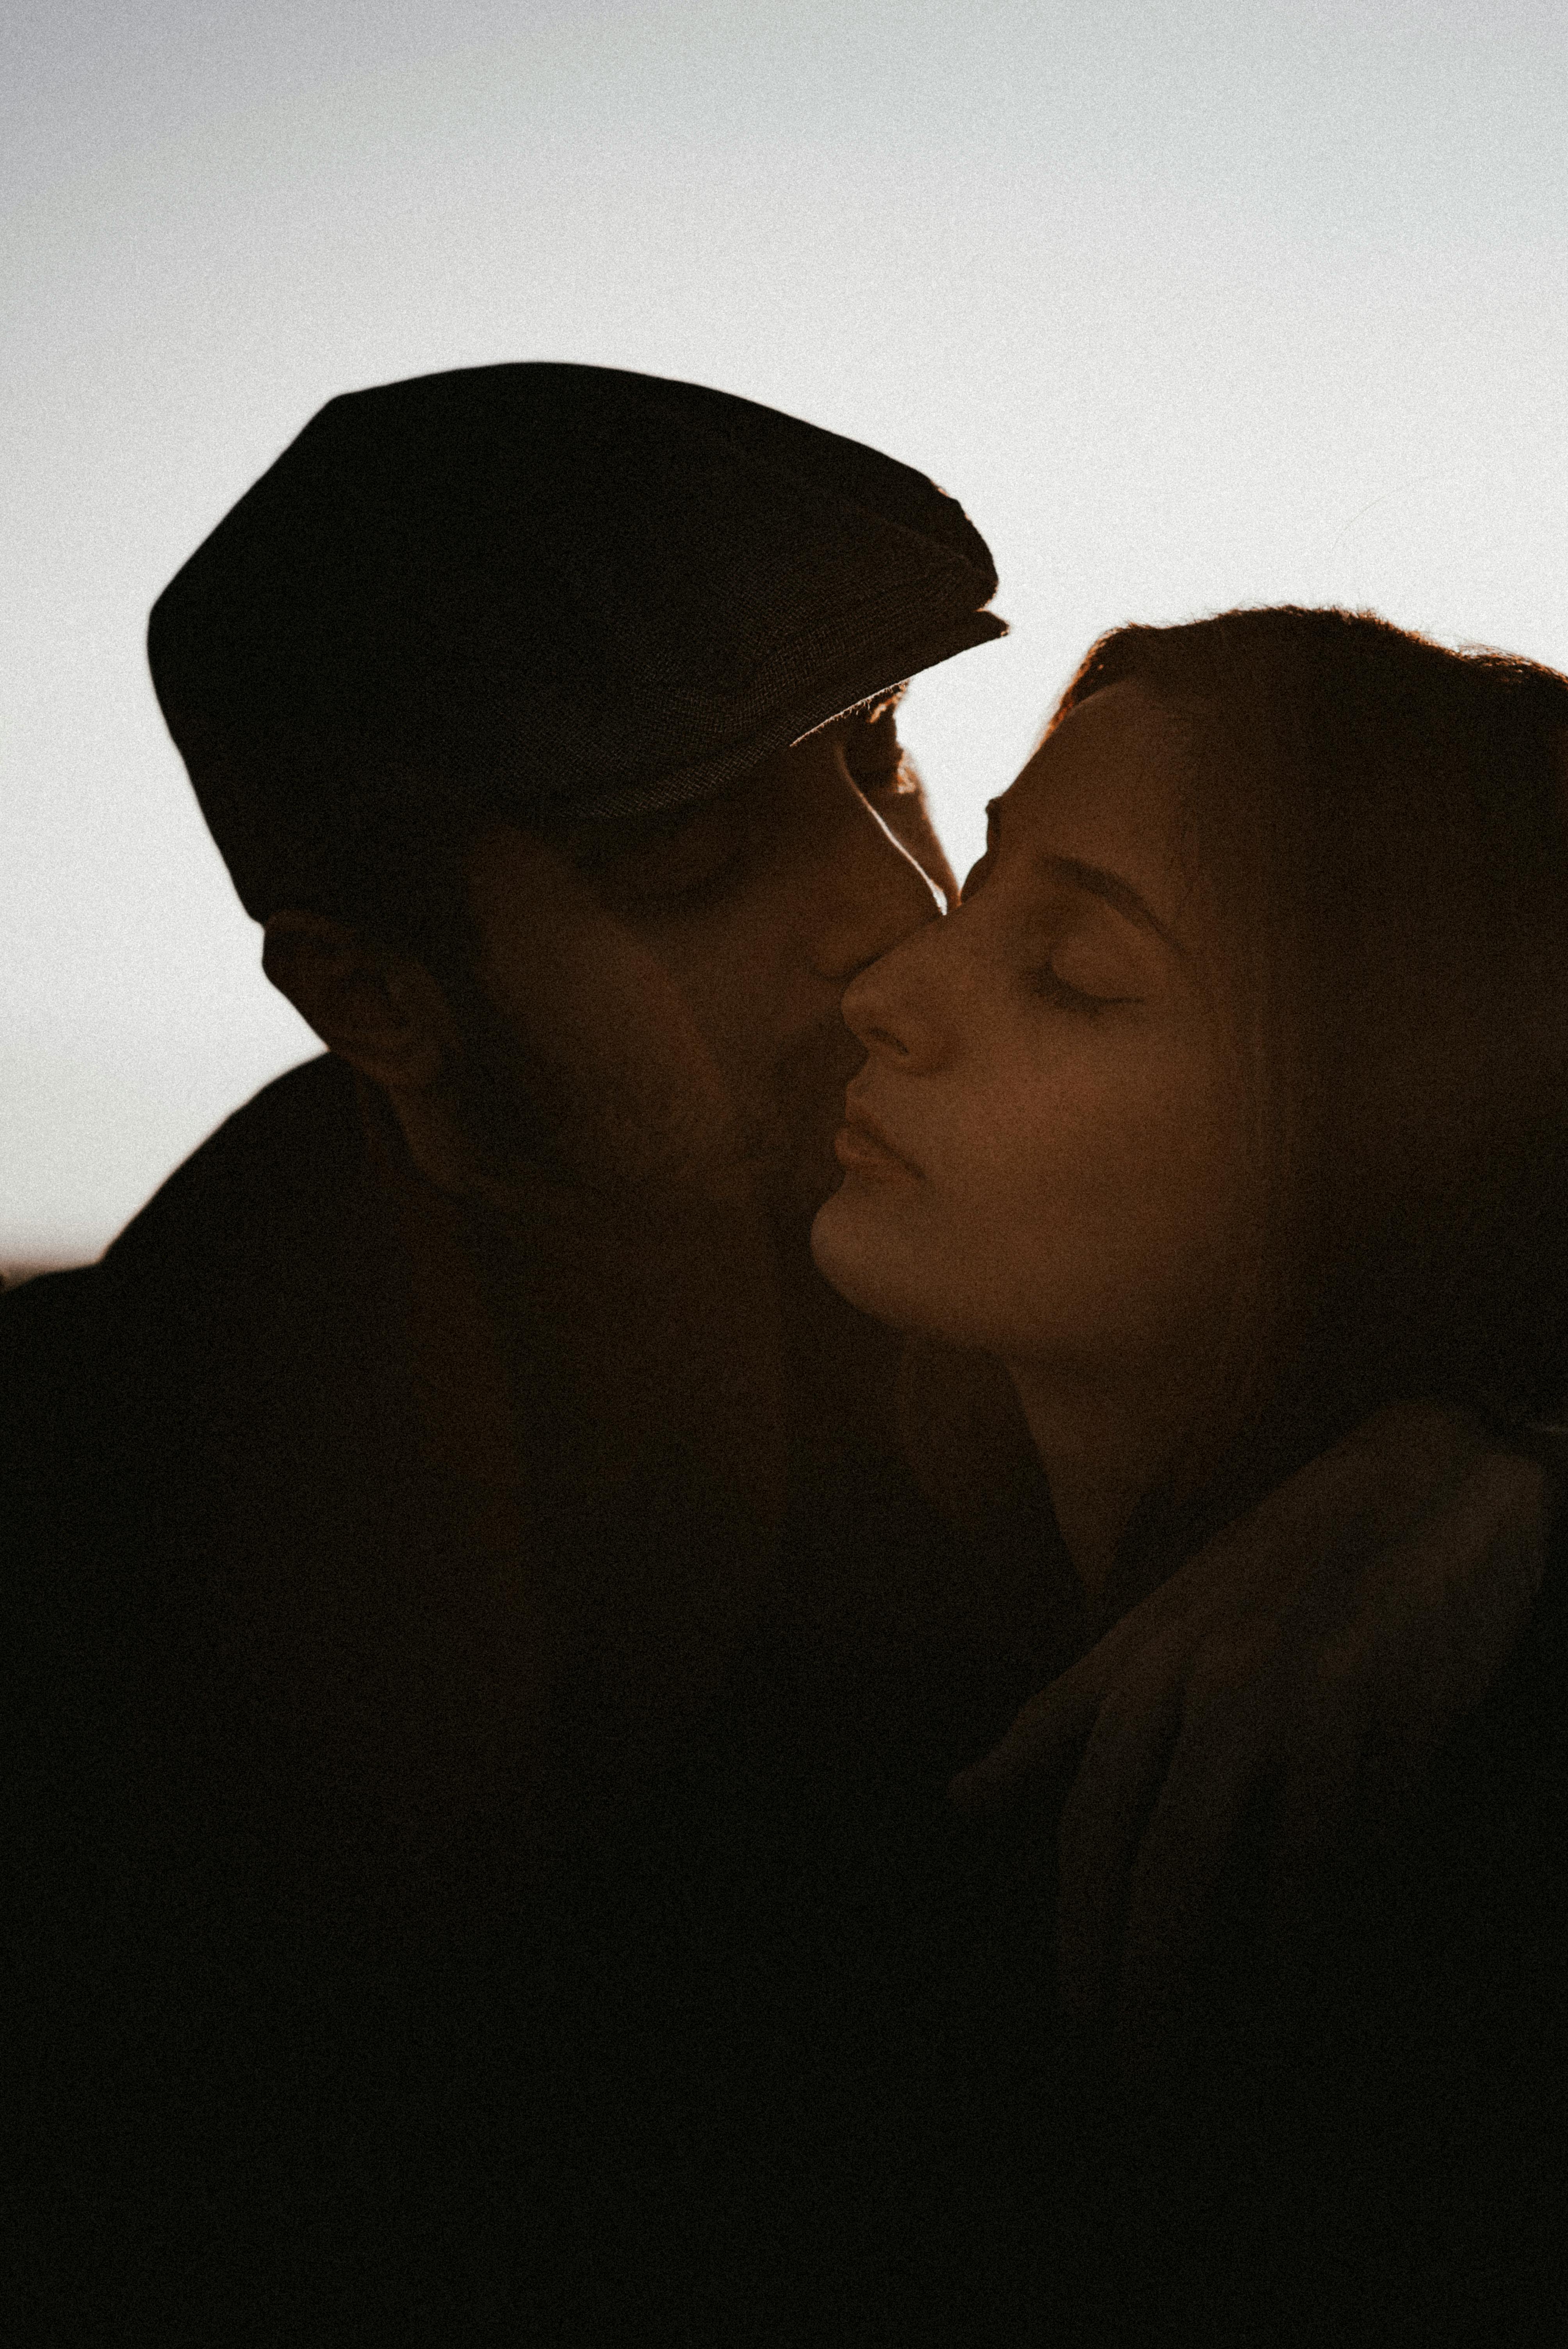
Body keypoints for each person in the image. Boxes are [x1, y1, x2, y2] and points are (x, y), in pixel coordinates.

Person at [0, 371, 1548, 2340]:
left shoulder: (1026, 1262)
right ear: (376, 999)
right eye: (688, 866)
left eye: (881, 754)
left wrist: (1493, 1446)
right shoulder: (118, 1530)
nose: (889, 920)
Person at [811, 604, 1568, 2339]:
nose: (887, 993)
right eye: (979, 886)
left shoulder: (1468, 1866)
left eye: (1074, 976)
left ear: (1374, 1141)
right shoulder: (847, 1585)